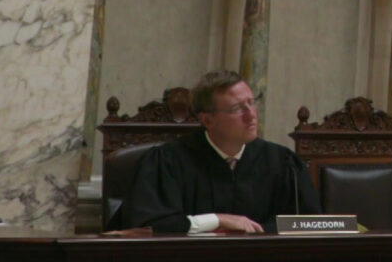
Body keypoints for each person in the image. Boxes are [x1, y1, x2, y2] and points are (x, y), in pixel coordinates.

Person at [122, 70, 318, 233]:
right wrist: (216, 220)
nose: (251, 115)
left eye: (251, 102)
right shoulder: (167, 162)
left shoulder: (282, 163)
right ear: (208, 120)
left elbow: (311, 225)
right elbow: (146, 227)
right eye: (237, 108)